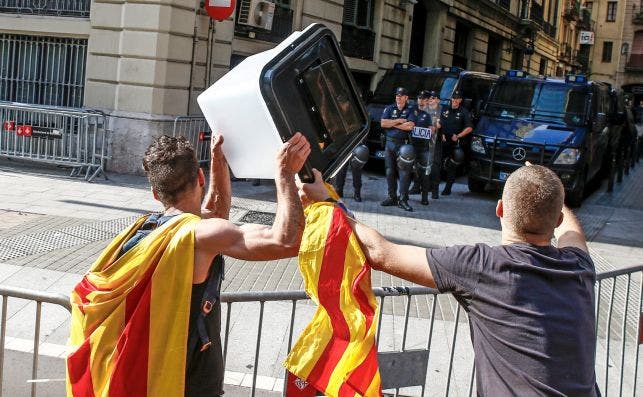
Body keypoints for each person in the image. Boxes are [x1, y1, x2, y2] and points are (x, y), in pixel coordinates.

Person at [298, 164, 599, 396]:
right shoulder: (579, 266)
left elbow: (380, 252)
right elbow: (572, 230)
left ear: (500, 209)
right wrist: (543, 183)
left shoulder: (482, 267)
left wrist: (327, 201)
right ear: (556, 220)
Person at [67, 132, 311, 396]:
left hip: (147, 378)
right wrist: (285, 172)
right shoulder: (198, 237)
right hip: (186, 385)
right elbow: (286, 241)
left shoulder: (144, 230)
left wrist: (219, 161)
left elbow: (214, 214)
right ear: (200, 178)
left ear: (155, 193)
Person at [380, 87, 417, 211]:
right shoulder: (390, 108)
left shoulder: (411, 109)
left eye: (401, 96)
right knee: (390, 172)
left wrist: (393, 123)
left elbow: (410, 126)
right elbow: (383, 123)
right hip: (389, 144)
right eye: (397, 95)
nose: (398, 97)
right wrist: (398, 121)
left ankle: (403, 200)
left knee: (404, 174)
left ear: (406, 97)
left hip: (403, 145)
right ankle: (392, 197)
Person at [437, 90, 473, 195]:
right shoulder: (445, 109)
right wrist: (441, 133)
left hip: (455, 143)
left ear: (460, 100)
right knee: (437, 164)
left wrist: (458, 136)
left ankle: (447, 188)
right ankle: (433, 186)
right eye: (453, 98)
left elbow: (469, 128)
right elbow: (439, 122)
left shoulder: (464, 112)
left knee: (451, 167)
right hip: (443, 141)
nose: (454, 100)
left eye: (457, 98)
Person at [409, 90, 441, 204]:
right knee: (410, 169)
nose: (421, 100)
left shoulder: (431, 112)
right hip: (412, 145)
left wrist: (432, 128)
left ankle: (428, 195)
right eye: (419, 98)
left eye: (424, 99)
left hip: (427, 146)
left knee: (426, 171)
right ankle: (412, 190)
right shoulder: (412, 110)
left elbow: (435, 127)